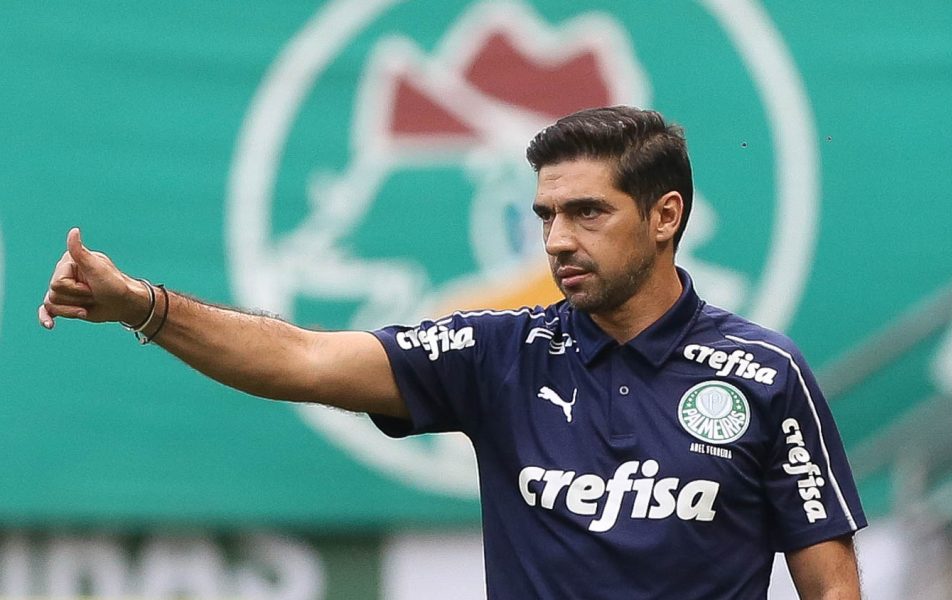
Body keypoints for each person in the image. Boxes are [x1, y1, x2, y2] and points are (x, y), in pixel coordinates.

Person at [39, 106, 866, 599]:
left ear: (665, 215)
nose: (557, 240)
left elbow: (830, 584)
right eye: (544, 216)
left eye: (587, 213)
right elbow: (303, 360)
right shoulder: (497, 350)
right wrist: (142, 306)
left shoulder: (765, 374)